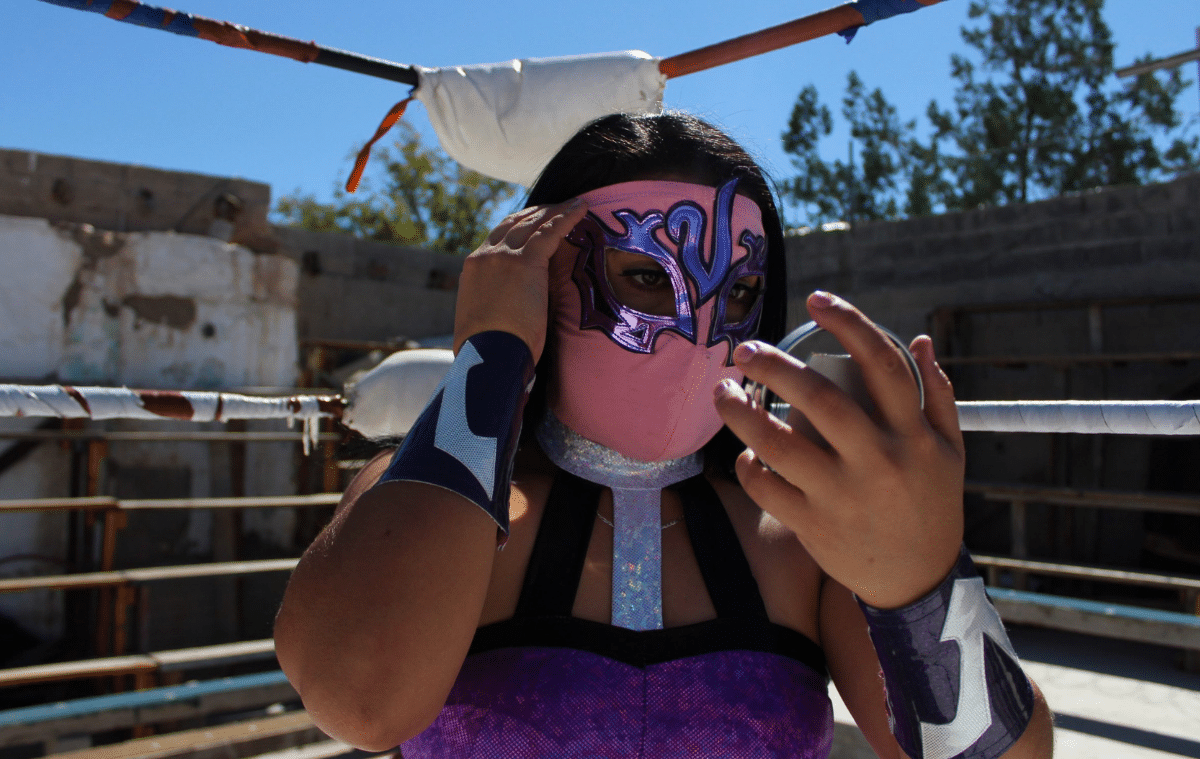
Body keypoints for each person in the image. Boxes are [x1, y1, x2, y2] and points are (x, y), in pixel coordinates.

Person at [274, 112, 1054, 758]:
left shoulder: (806, 530)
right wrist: (491, 356)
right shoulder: (422, 507)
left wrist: (923, 583)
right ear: (539, 279)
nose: (695, 330)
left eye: (741, 290)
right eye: (645, 276)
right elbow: (362, 700)